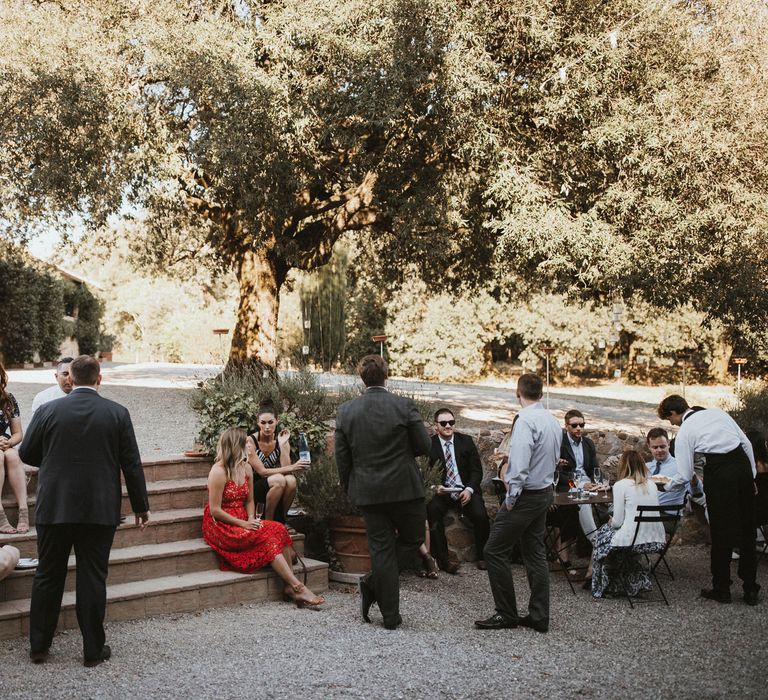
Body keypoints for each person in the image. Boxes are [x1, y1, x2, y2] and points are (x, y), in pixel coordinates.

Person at [19, 355, 151, 666]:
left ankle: (39, 647)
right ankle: (92, 650)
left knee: (47, 575)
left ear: (71, 378)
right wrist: (141, 506)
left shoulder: (49, 410)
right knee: (92, 577)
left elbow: (26, 452)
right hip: (99, 508)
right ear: (99, 379)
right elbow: (131, 463)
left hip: (55, 506)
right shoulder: (117, 413)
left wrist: (53, 460)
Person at [335, 355, 431, 630]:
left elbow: (343, 459)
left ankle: (374, 584)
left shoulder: (346, 411)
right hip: (405, 489)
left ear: (362, 378)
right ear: (386, 376)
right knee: (413, 541)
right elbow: (424, 446)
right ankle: (390, 616)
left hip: (368, 491)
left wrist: (349, 488)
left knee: (382, 550)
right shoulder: (403, 405)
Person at [475, 373, 561, 633]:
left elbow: (521, 464)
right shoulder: (552, 419)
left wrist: (511, 497)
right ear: (541, 394)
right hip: (544, 490)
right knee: (534, 551)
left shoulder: (524, 421)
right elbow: (554, 457)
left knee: (493, 550)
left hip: (525, 496)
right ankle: (538, 615)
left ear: (517, 393)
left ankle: (506, 613)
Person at [202, 427, 324, 608]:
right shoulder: (218, 472)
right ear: (237, 446)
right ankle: (297, 587)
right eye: (247, 443)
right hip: (221, 523)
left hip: (244, 517)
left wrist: (252, 518)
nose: (250, 446)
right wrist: (244, 523)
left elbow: (250, 500)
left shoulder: (246, 468)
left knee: (278, 528)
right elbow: (215, 510)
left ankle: (291, 587)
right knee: (267, 540)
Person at [657, 394, 760, 605]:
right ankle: (750, 588)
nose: (673, 424)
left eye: (670, 420)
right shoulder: (717, 413)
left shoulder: (686, 430)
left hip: (719, 471)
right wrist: (751, 476)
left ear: (674, 413)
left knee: (721, 531)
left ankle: (722, 589)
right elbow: (746, 444)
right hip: (741, 466)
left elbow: (685, 474)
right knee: (747, 526)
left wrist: (667, 486)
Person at [589, 450, 666, 598]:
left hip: (633, 541)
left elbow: (617, 522)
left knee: (601, 535)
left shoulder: (621, 485)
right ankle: (629, 582)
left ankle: (599, 581)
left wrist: (611, 521)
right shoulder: (652, 485)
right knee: (612, 540)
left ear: (623, 466)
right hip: (656, 540)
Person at [427, 408, 490, 574]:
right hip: (443, 491)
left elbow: (476, 470)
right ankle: (443, 561)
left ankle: (483, 556)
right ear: (436, 426)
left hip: (465, 489)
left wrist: (469, 489)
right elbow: (425, 471)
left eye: (451, 422)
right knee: (432, 510)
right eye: (443, 423)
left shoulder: (466, 441)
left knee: (480, 513)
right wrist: (435, 487)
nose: (448, 426)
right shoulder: (430, 445)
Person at [245, 402, 309, 523]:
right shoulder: (250, 441)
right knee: (279, 479)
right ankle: (270, 523)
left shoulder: (280, 439)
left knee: (291, 480)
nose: (267, 427)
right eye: (263, 423)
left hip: (273, 484)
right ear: (258, 423)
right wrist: (294, 467)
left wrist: (283, 444)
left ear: (277, 421)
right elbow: (262, 472)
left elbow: (286, 469)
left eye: (271, 422)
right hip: (254, 484)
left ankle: (282, 520)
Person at [645, 427, 704, 533]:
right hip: (644, 513)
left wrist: (693, 478)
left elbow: (697, 492)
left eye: (662, 446)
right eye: (655, 447)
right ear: (649, 446)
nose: (659, 450)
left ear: (668, 443)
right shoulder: (646, 467)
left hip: (667, 517)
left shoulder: (680, 466)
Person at [0, 362, 29, 534]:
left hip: (5, 444)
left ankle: (23, 512)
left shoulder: (8, 399)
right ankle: (0, 515)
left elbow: (18, 433)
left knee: (12, 456)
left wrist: (9, 442)